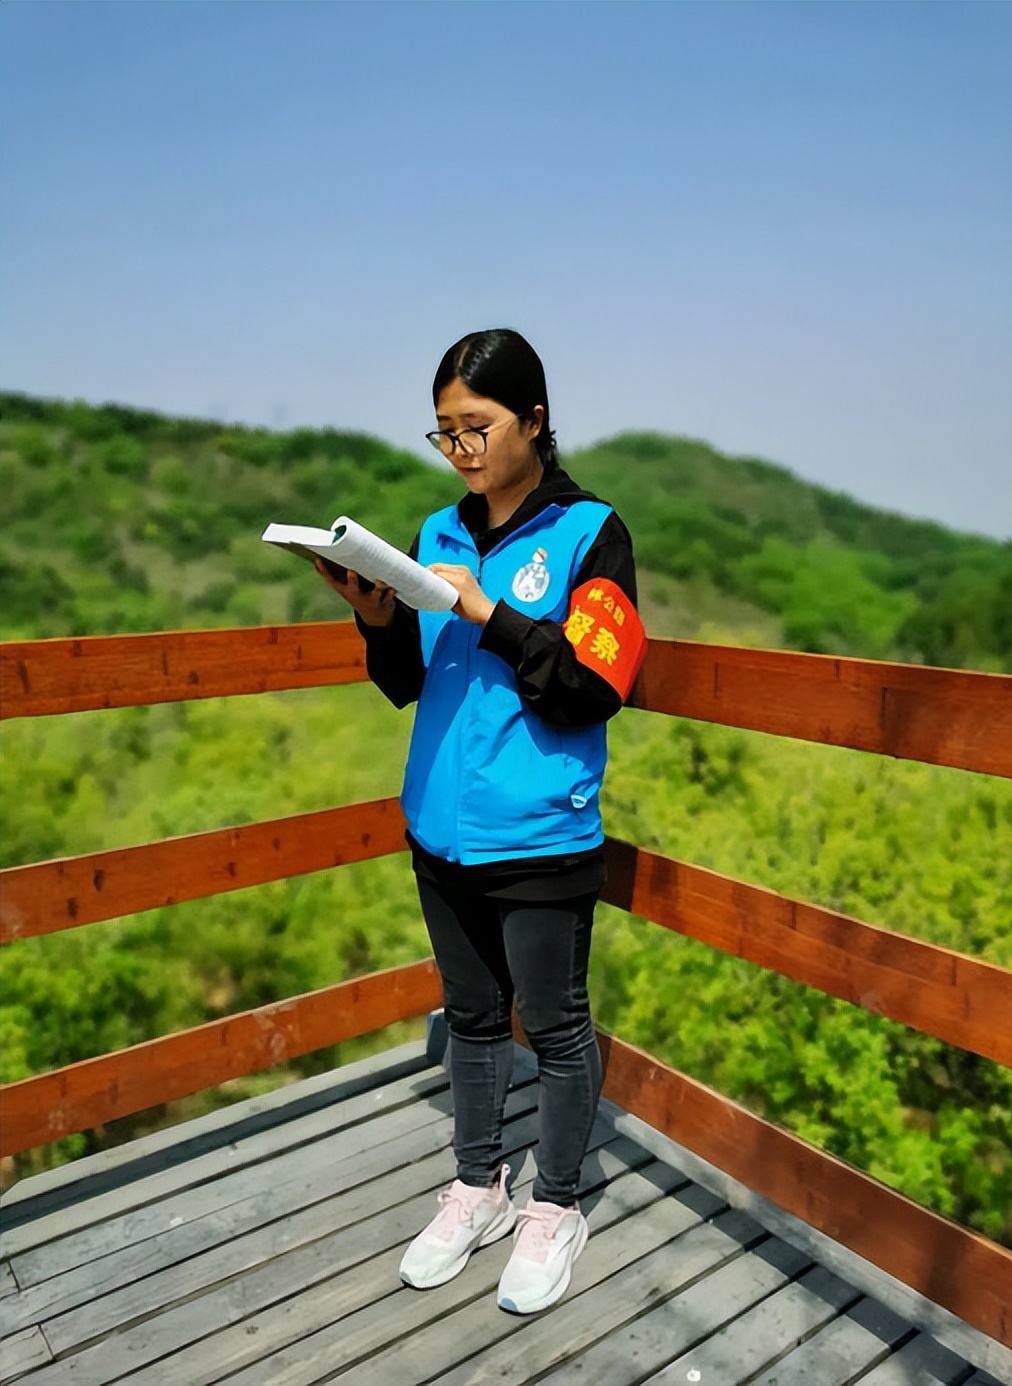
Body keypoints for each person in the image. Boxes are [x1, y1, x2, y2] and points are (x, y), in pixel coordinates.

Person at [316, 328, 647, 1315]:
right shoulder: (434, 531)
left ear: (534, 421)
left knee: (551, 1023)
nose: (461, 448)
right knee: (467, 1017)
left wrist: (487, 614)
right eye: (444, 431)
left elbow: (592, 687)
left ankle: (555, 1204)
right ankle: (477, 1188)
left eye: (479, 426)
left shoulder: (589, 533)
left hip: (540, 830)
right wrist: (377, 619)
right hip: (440, 827)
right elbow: (407, 683)